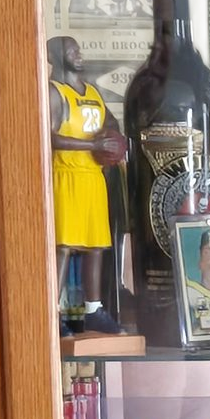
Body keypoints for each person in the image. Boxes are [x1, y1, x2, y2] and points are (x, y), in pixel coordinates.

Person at [46, 37, 127, 334]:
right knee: (63, 247)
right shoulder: (55, 93)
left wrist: (115, 140)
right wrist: (91, 143)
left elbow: (112, 125)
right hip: (66, 174)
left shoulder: (93, 92)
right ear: (55, 56)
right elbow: (48, 136)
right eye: (72, 51)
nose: (79, 54)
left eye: (79, 49)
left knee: (96, 247)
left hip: (94, 177)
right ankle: (51, 312)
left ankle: (93, 310)